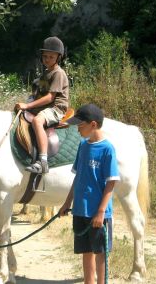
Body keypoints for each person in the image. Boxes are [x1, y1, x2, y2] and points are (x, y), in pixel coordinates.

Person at [58, 104, 120, 284]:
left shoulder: (107, 149)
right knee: (86, 251)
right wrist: (67, 203)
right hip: (80, 210)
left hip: (98, 213)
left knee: (100, 252)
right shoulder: (83, 146)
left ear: (93, 125)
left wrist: (101, 212)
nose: (77, 129)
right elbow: (78, 177)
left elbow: (111, 182)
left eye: (80, 125)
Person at [15, 36, 69, 174]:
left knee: (38, 121)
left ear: (59, 58)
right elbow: (39, 94)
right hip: (45, 107)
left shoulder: (58, 73)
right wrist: (29, 102)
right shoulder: (46, 73)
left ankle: (43, 161)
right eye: (45, 56)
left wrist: (28, 106)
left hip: (56, 108)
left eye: (51, 57)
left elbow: (50, 97)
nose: (47, 59)